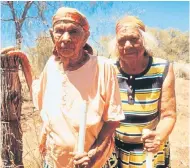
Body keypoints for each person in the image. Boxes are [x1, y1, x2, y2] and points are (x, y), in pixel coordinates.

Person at [2, 7, 125, 168]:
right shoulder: (51, 66)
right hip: (53, 162)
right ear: (53, 35)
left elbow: (113, 120)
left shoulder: (102, 67)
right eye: (59, 31)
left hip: (95, 163)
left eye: (73, 32)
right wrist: (25, 62)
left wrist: (93, 154)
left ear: (85, 37)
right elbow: (39, 95)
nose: (66, 38)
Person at [111, 16, 176, 168]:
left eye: (134, 39)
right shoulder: (109, 69)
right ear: (115, 44)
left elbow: (168, 115)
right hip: (117, 150)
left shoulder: (162, 68)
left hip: (150, 152)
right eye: (121, 41)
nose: (127, 45)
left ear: (144, 40)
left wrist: (158, 137)